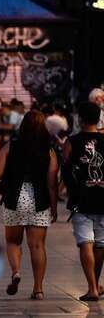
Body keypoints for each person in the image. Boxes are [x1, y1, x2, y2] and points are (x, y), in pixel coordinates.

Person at [0, 110, 58, 300]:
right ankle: (38, 289)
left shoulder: (11, 146)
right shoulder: (49, 150)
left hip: (14, 199)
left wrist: (11, 172)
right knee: (37, 246)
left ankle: (16, 271)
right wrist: (53, 207)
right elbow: (52, 183)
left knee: (13, 241)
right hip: (40, 200)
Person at [62, 101, 104, 302]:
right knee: (100, 244)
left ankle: (92, 288)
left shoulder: (72, 141)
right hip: (103, 199)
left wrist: (72, 190)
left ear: (79, 118)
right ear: (98, 118)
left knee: (85, 243)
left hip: (82, 199)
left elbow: (66, 170)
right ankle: (96, 284)